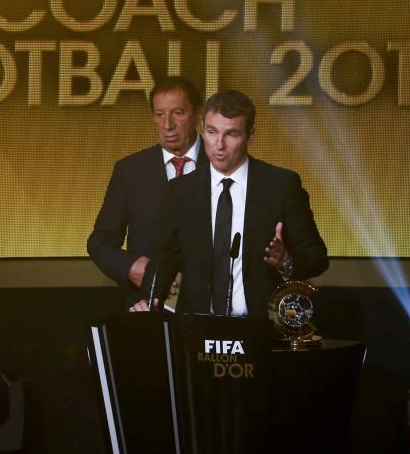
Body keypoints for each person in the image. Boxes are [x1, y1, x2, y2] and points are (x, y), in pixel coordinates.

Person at [132, 89, 329, 316]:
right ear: (202, 130)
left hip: (263, 329)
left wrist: (285, 260)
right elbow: (163, 261)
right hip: (198, 330)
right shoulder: (181, 191)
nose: (219, 145)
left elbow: (317, 258)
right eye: (212, 131)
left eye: (231, 134)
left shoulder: (281, 186)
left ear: (250, 136)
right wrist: (149, 300)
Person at [87, 76, 208, 307]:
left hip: (210, 309)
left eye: (178, 113)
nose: (167, 125)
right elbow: (100, 241)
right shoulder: (130, 171)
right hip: (147, 306)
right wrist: (130, 266)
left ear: (198, 114)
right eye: (159, 114)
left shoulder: (221, 165)